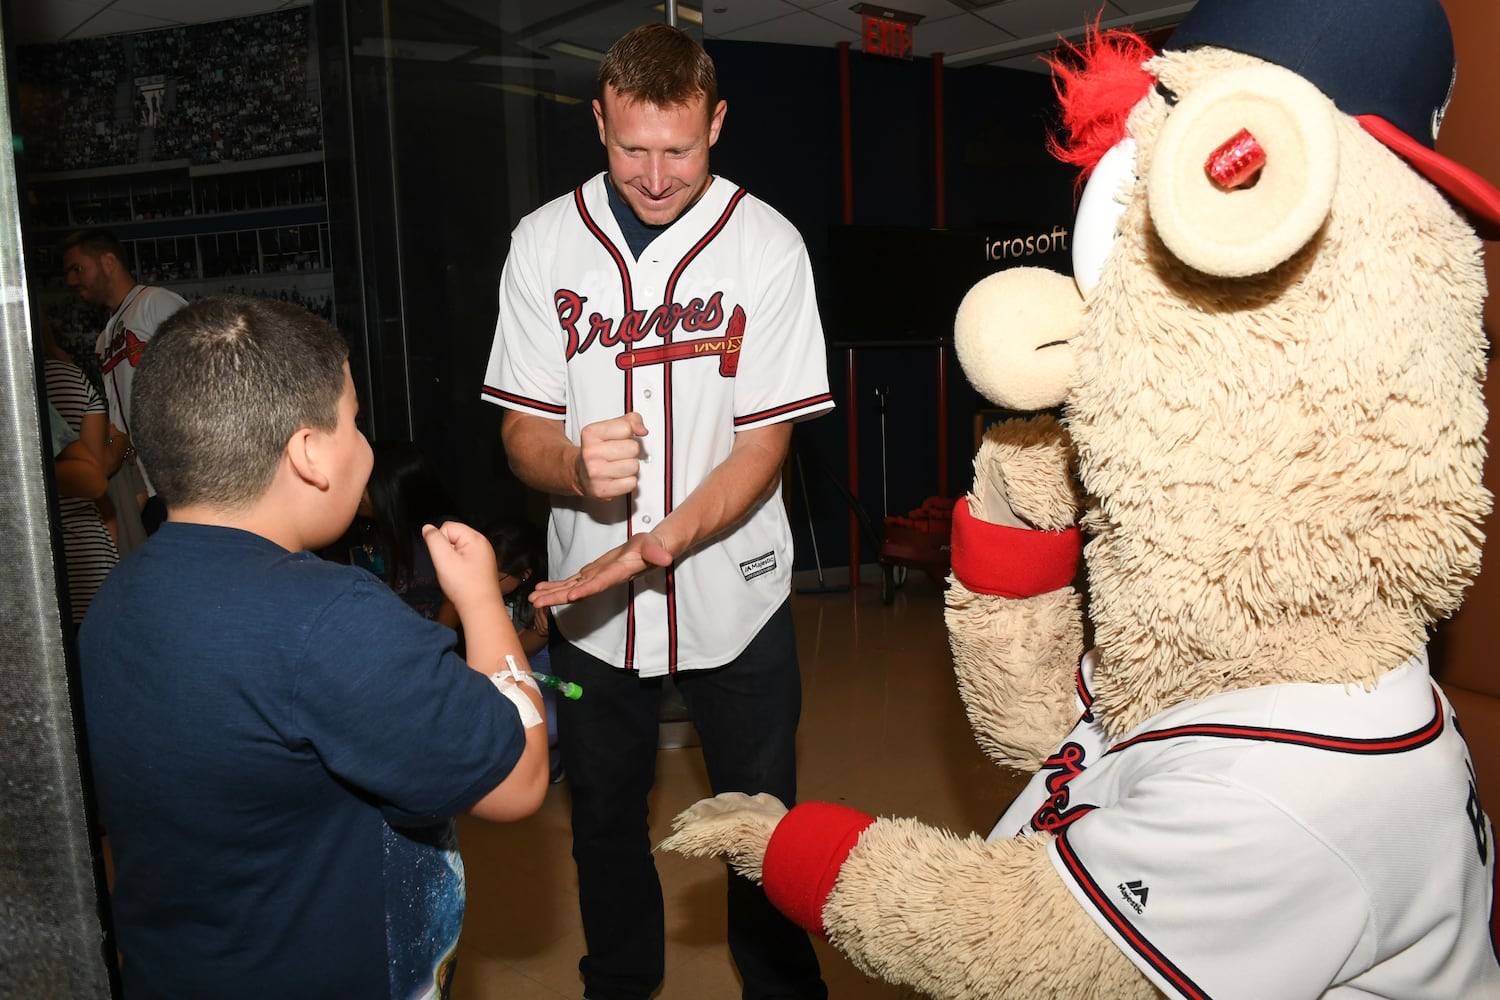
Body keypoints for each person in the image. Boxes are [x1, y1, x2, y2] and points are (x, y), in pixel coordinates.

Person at [480, 23, 834, 1000]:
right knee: (601, 813)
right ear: (597, 121)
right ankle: (620, 985)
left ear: (717, 121)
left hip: (739, 590)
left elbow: (765, 445)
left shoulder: (767, 246)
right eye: (632, 147)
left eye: (680, 148)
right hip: (592, 605)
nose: (656, 173)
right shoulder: (545, 243)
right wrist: (572, 467)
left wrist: (666, 536)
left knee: (763, 823)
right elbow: (519, 433)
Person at [79, 296, 550, 998]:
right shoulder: (331, 619)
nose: (364, 442)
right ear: (308, 454)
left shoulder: (114, 601)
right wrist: (482, 602)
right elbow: (517, 784)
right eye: (354, 420)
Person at [59, 227, 188, 546]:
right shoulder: (105, 336)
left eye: (78, 269)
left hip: (180, 476)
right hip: (146, 483)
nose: (71, 281)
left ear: (108, 262)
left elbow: (203, 373)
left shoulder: (154, 302)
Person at [486, 517, 563, 782]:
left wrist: (540, 631)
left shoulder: (540, 595)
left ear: (524, 574)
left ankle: (551, 767)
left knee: (544, 728)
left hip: (537, 664)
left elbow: (521, 650)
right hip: (508, 665)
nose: (485, 582)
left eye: (494, 578)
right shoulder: (492, 594)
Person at [355, 439, 461, 629]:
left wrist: (431, 651)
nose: (358, 490)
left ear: (397, 492)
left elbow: (454, 601)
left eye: (369, 485)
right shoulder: (352, 529)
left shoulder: (444, 532)